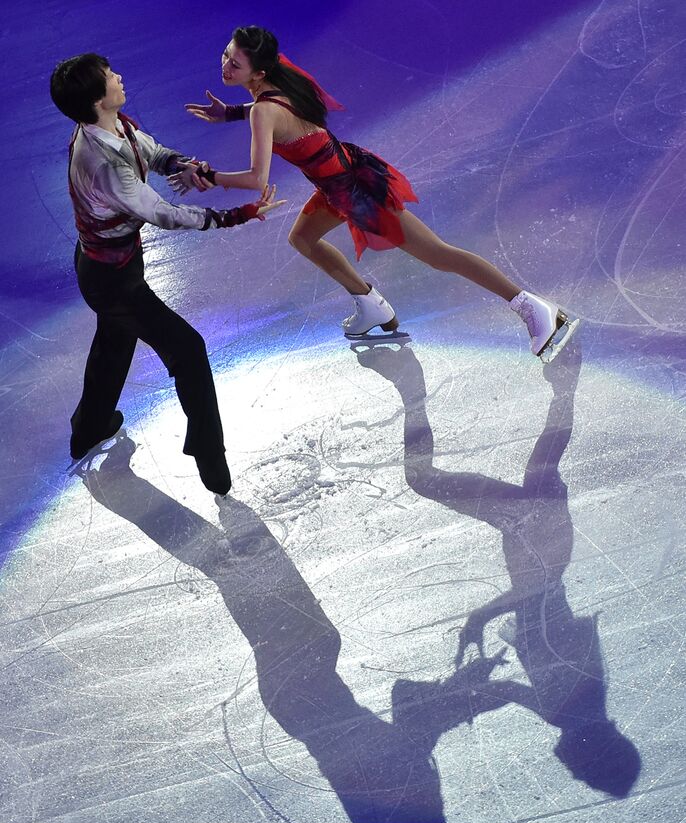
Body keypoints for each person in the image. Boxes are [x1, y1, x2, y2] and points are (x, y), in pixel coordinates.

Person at [175, 25, 578, 351]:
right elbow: (277, 112)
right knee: (303, 238)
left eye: (236, 63)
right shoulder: (279, 83)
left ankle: (532, 308)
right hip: (337, 182)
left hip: (356, 190)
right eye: (227, 55)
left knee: (438, 255)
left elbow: (255, 179)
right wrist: (229, 112)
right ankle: (371, 304)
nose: (226, 65)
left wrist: (208, 175)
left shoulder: (263, 110)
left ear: (258, 73)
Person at [49, 52, 284, 494]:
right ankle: (210, 458)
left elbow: (154, 154)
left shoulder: (117, 125)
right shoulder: (102, 164)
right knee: (189, 351)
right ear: (97, 99)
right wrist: (233, 216)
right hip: (112, 281)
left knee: (114, 344)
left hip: (113, 265)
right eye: (109, 76)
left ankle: (89, 428)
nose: (118, 76)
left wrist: (183, 166)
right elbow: (163, 214)